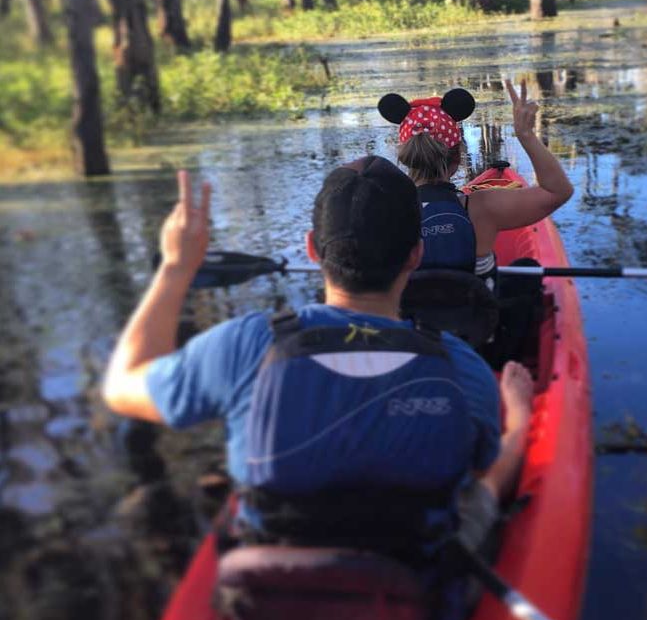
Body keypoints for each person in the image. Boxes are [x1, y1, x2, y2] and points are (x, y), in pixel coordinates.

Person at [102, 158, 533, 560]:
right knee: (483, 486)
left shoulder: (244, 346)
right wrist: (518, 417)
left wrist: (174, 271)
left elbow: (121, 386)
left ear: (312, 248)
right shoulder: (462, 366)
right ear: (415, 255)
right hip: (421, 605)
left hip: (268, 604)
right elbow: (482, 473)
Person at [381, 78, 573, 283]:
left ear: (407, 159)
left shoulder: (387, 213)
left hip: (413, 315)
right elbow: (557, 191)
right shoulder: (482, 208)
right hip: (476, 311)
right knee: (527, 270)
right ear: (457, 157)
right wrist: (526, 135)